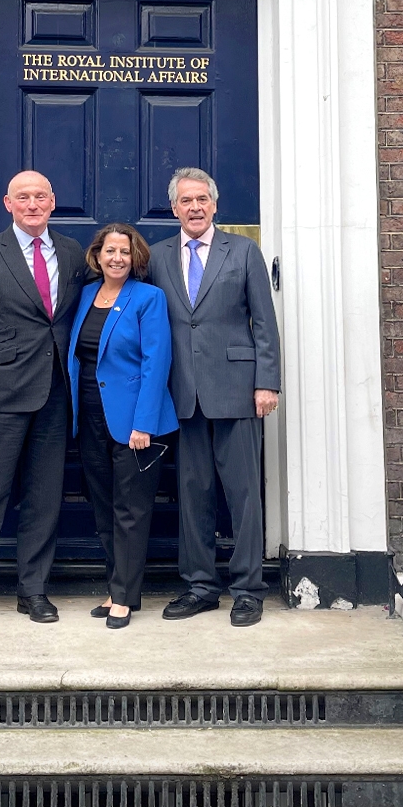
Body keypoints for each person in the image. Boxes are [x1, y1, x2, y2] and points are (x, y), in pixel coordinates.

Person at [0, 171, 88, 628]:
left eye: (40, 196)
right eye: (23, 197)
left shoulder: (71, 253)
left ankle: (34, 591)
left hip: (55, 393)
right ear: (8, 203)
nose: (32, 204)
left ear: (53, 201)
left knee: (45, 498)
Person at [146, 168, 281, 627]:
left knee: (243, 495)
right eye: (186, 201)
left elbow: (263, 322)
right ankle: (200, 586)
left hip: (237, 390)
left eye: (202, 199)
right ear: (175, 209)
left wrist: (268, 382)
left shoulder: (243, 251)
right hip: (182, 392)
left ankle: (248, 589)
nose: (195, 207)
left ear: (215, 204)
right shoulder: (158, 256)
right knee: (193, 494)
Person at [67, 224, 179, 629]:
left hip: (134, 422)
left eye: (125, 252)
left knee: (130, 510)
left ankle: (127, 597)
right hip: (91, 417)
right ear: (97, 255)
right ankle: (118, 587)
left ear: (136, 259)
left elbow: (156, 362)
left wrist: (144, 423)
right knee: (103, 507)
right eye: (110, 250)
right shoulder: (83, 296)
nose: (117, 258)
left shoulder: (149, 298)